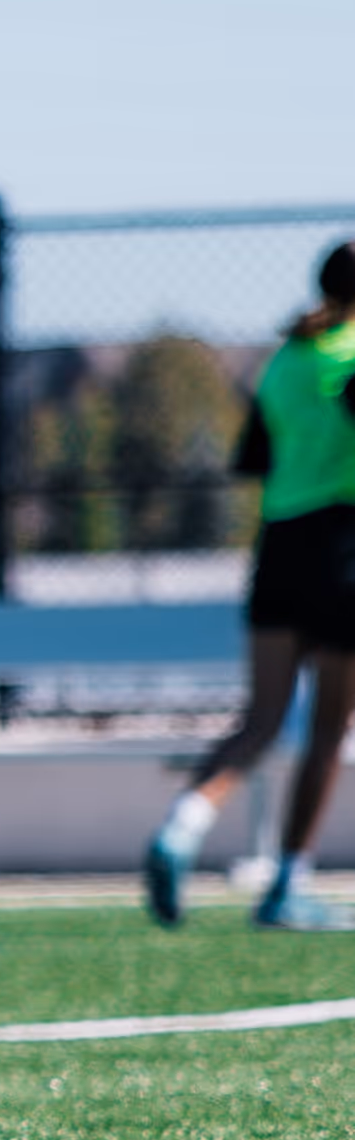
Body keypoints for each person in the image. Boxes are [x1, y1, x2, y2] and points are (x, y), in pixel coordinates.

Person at [145, 241, 355, 932]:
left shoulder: (286, 359)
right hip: (342, 549)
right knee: (327, 729)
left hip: (278, 549)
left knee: (261, 719)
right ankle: (287, 883)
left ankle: (183, 825)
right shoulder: (351, 357)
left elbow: (254, 460)